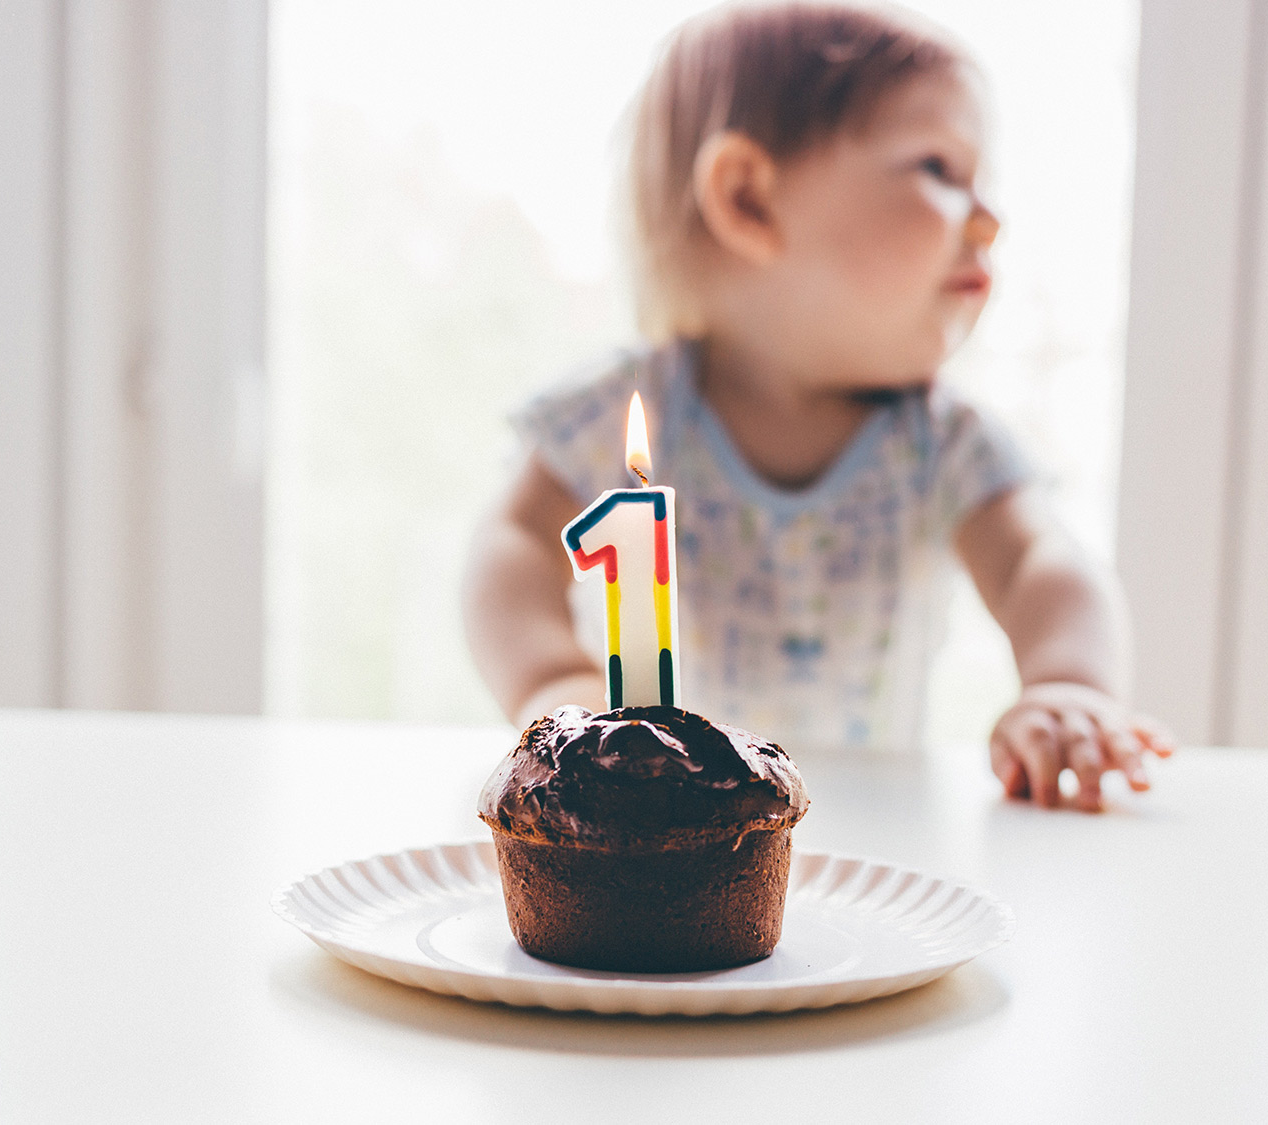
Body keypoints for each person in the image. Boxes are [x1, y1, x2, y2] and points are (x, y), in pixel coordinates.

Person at [464, 2, 1173, 810]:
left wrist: (1066, 683)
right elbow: (511, 543)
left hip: (869, 825)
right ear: (749, 200)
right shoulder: (632, 406)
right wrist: (553, 680)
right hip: (650, 819)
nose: (990, 218)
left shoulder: (939, 441)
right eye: (939, 168)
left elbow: (1039, 562)